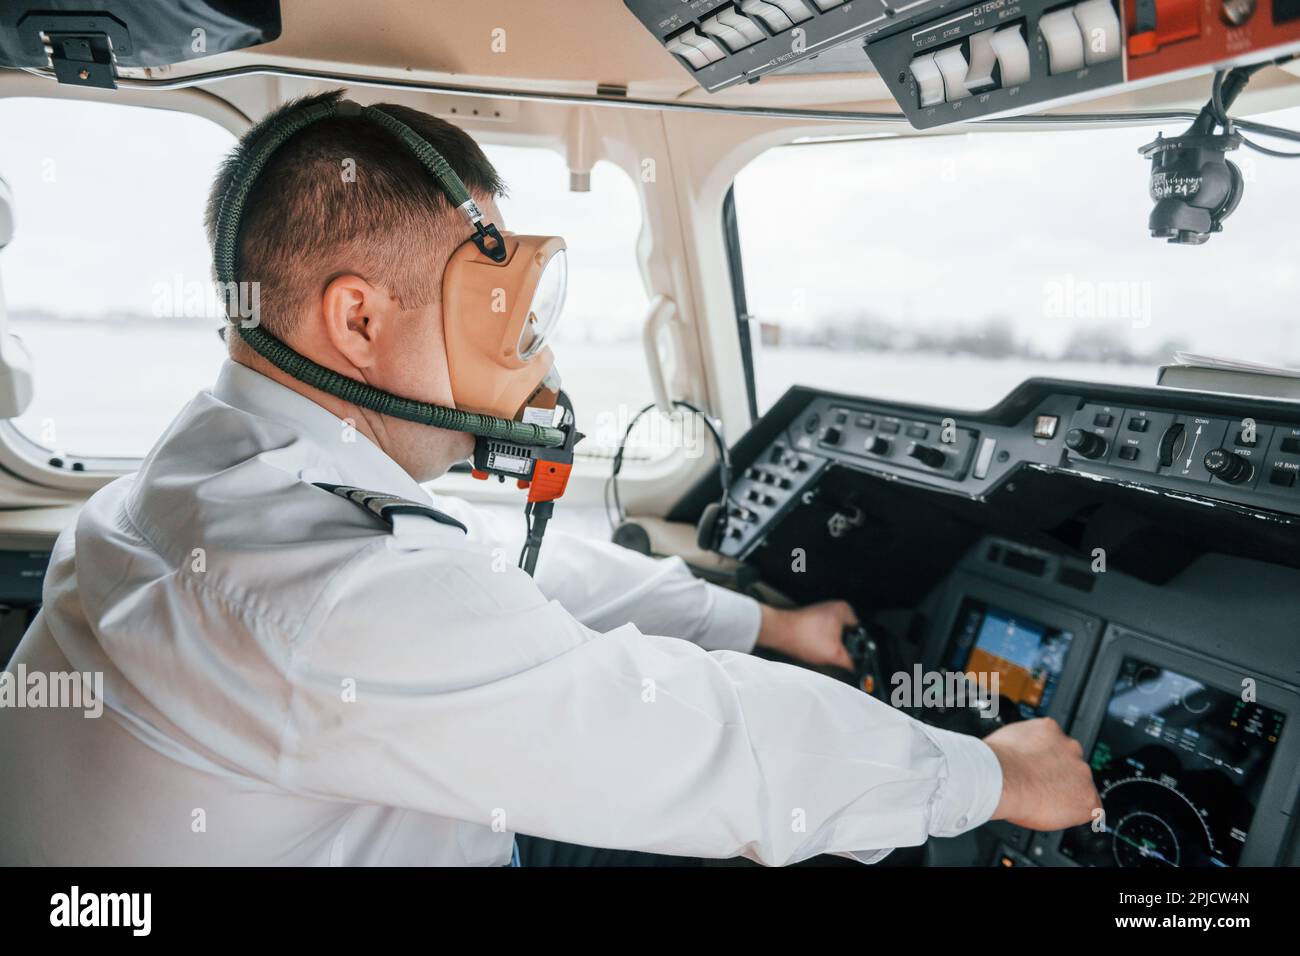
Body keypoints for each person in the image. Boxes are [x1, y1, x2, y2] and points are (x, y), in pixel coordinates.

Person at [0, 91, 1097, 866]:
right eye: (492, 310)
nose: (527, 352)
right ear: (358, 320)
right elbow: (702, 746)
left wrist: (766, 624)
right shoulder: (322, 599)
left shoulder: (207, 480)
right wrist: (991, 775)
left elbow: (496, 576)